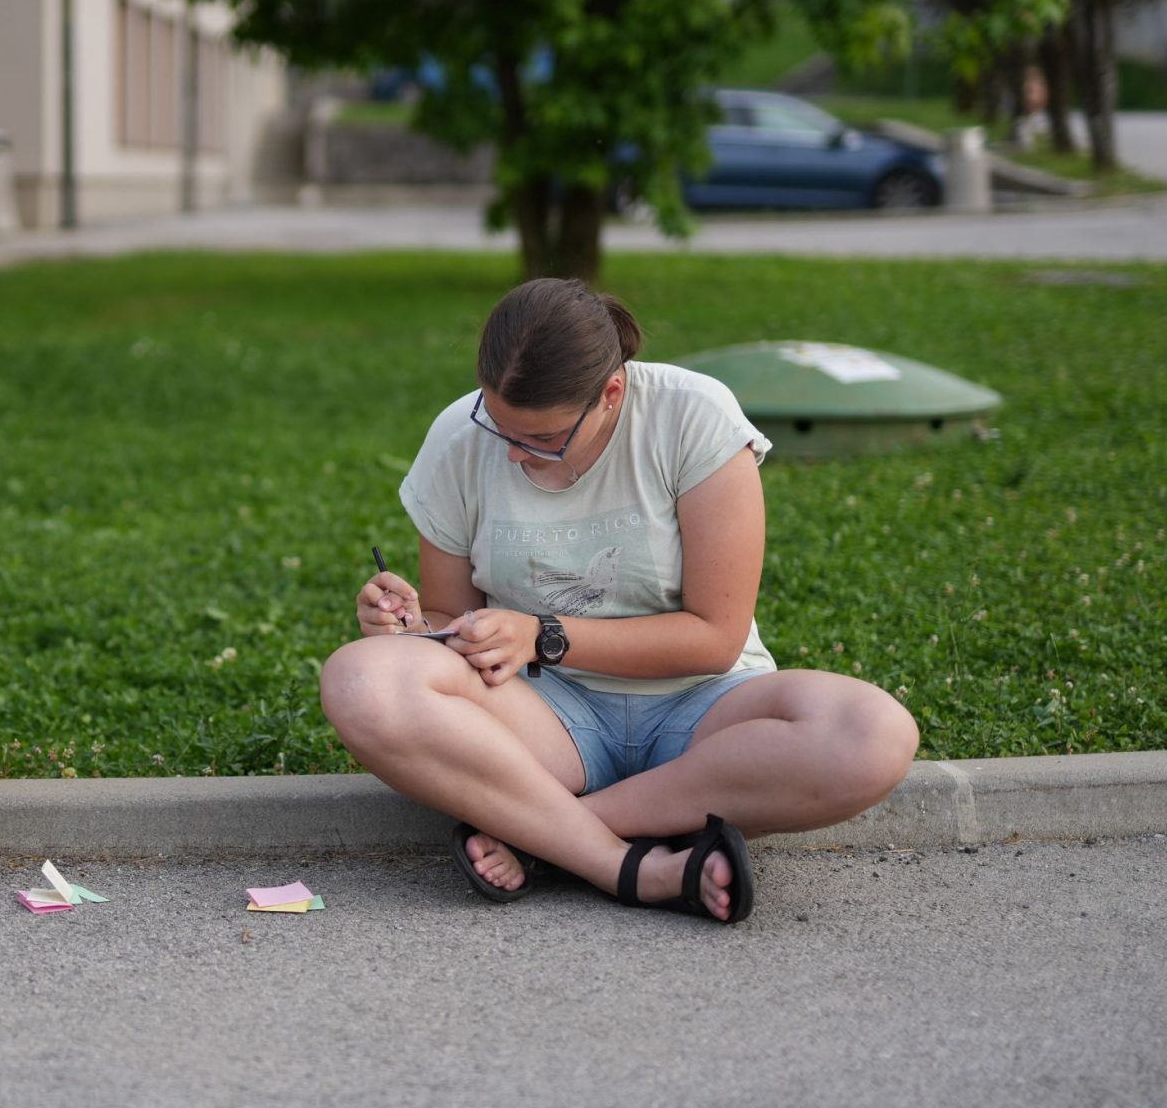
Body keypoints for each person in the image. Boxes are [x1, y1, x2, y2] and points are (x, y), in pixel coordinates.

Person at [319, 279, 919, 923]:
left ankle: (550, 836)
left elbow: (715, 638)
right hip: (543, 717)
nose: (514, 453)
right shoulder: (457, 437)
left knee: (873, 733)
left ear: (610, 394)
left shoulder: (692, 416)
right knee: (361, 680)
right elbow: (449, 619)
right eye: (498, 426)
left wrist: (542, 634)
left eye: (544, 437)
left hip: (704, 709)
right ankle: (625, 867)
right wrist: (412, 628)